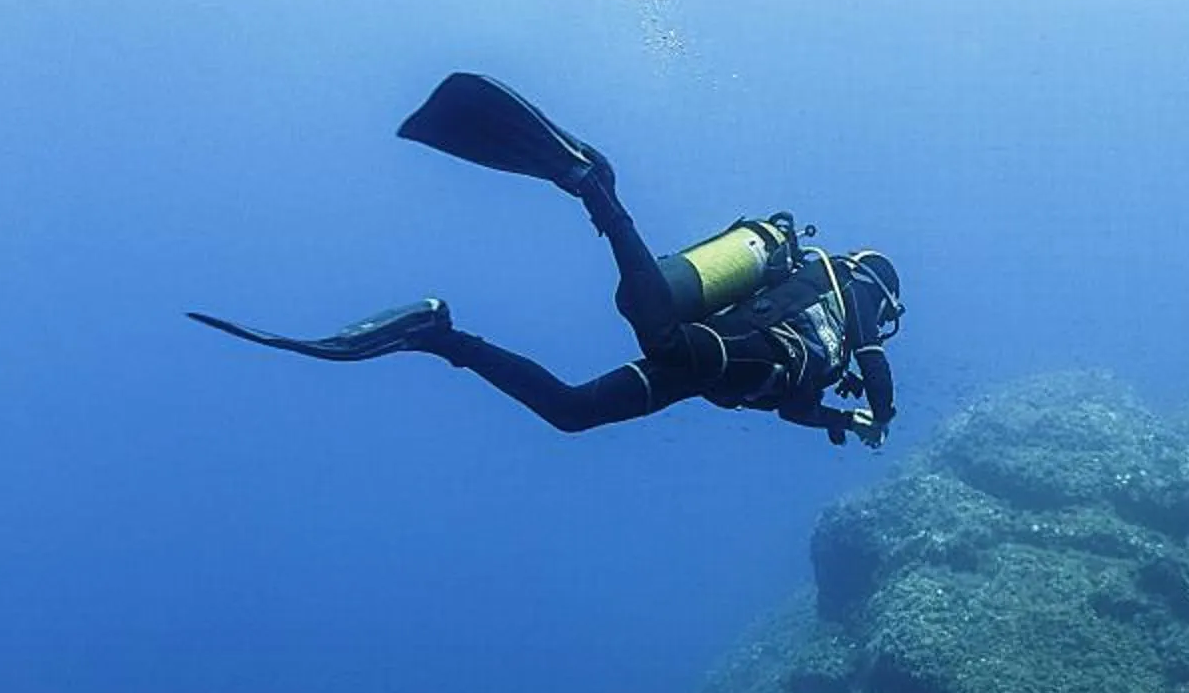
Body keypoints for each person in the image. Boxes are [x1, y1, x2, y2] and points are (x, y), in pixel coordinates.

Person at [190, 74, 902, 447]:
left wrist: (845, 424)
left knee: (571, 413)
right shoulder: (853, 286)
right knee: (656, 330)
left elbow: (795, 411)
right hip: (748, 349)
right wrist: (886, 408)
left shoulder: (828, 332)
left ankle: (439, 334)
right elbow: (870, 348)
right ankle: (595, 186)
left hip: (728, 370)